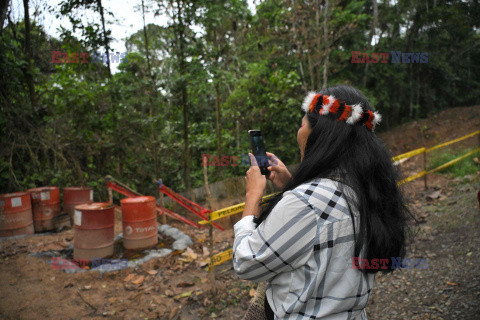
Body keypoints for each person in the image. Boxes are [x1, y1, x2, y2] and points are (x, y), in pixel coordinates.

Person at [233, 85, 411, 319]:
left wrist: (252, 197)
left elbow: (246, 262)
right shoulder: (369, 188)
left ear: (319, 135)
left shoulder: (305, 203)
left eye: (302, 124)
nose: (299, 131)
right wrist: (292, 184)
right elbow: (320, 231)